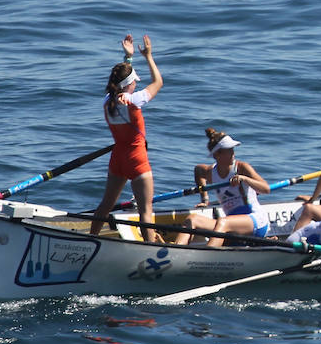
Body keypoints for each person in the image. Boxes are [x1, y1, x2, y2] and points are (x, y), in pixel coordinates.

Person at [89, 34, 165, 242]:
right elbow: (158, 82)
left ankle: (90, 241)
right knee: (145, 212)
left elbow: (121, 79)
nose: (135, 85)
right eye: (134, 83)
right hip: (137, 158)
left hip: (117, 159)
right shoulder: (135, 100)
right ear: (129, 84)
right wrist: (148, 56)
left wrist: (128, 57)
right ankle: (151, 250)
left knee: (105, 205)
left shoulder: (107, 101)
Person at [171, 128, 271, 246]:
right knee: (192, 219)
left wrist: (245, 179)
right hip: (231, 225)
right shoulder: (211, 172)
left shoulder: (241, 168)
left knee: (223, 222)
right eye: (229, 150)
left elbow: (266, 189)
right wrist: (205, 199)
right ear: (217, 155)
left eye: (232, 149)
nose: (233, 153)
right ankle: (176, 251)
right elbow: (198, 171)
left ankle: (208, 254)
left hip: (256, 221)